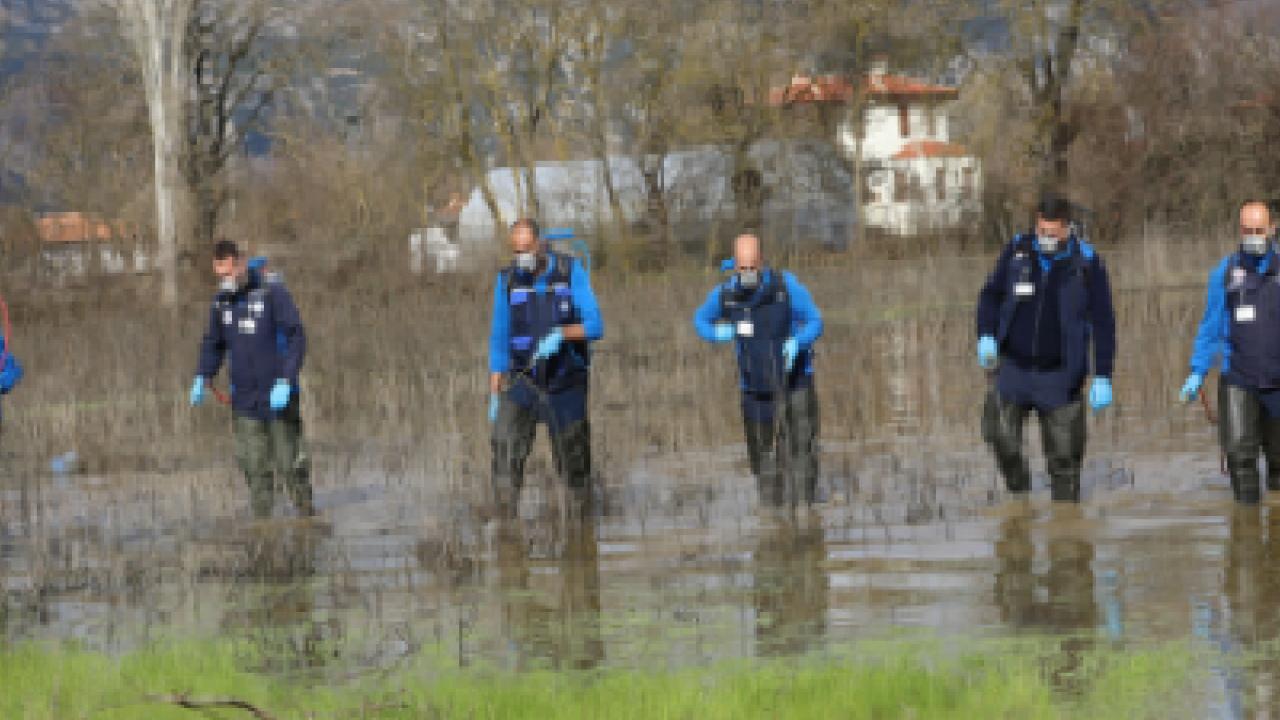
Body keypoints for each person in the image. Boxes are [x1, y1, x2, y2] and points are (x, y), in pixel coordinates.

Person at [976, 196, 1116, 503]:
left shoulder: (1087, 264)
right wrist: (985, 335)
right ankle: (1020, 500)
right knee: (1001, 439)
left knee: (1065, 464)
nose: (1046, 238)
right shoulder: (1017, 252)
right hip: (1013, 369)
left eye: (1052, 233)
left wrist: (1103, 375)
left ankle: (1065, 527)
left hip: (1060, 376)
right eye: (1041, 230)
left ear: (1067, 229)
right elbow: (990, 296)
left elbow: (1104, 322)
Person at [693, 232, 823, 508]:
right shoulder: (725, 295)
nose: (749, 272)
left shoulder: (786, 288)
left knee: (802, 455)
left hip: (795, 381)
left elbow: (815, 320)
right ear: (734, 266)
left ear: (762, 262)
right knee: (762, 461)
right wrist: (719, 333)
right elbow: (700, 321)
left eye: (753, 266)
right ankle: (772, 525)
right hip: (754, 388)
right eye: (743, 268)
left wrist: (798, 342)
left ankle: (806, 519)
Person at [488, 219, 604, 518]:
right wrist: (495, 382)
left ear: (540, 244)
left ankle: (581, 536)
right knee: (504, 453)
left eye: (526, 248)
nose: (521, 255)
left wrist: (562, 335)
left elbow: (595, 325)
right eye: (516, 250)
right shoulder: (507, 279)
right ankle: (506, 534)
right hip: (522, 382)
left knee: (574, 466)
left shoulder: (570, 272)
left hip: (565, 382)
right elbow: (500, 332)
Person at [190, 239, 313, 518]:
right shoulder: (221, 302)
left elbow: (296, 336)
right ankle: (263, 528)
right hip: (244, 399)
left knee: (289, 464)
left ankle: (306, 518)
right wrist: (202, 375)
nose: (225, 280)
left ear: (241, 263)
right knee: (254, 467)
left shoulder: (272, 291)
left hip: (279, 394)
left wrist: (286, 379)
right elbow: (213, 342)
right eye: (219, 275)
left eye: (229, 273)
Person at [1179, 200, 1280, 504]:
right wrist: (1197, 371)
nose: (1252, 236)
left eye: (1258, 230)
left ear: (1272, 229)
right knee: (1240, 459)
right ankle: (1246, 532)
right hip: (1237, 378)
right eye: (1247, 230)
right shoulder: (1224, 273)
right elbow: (1210, 327)